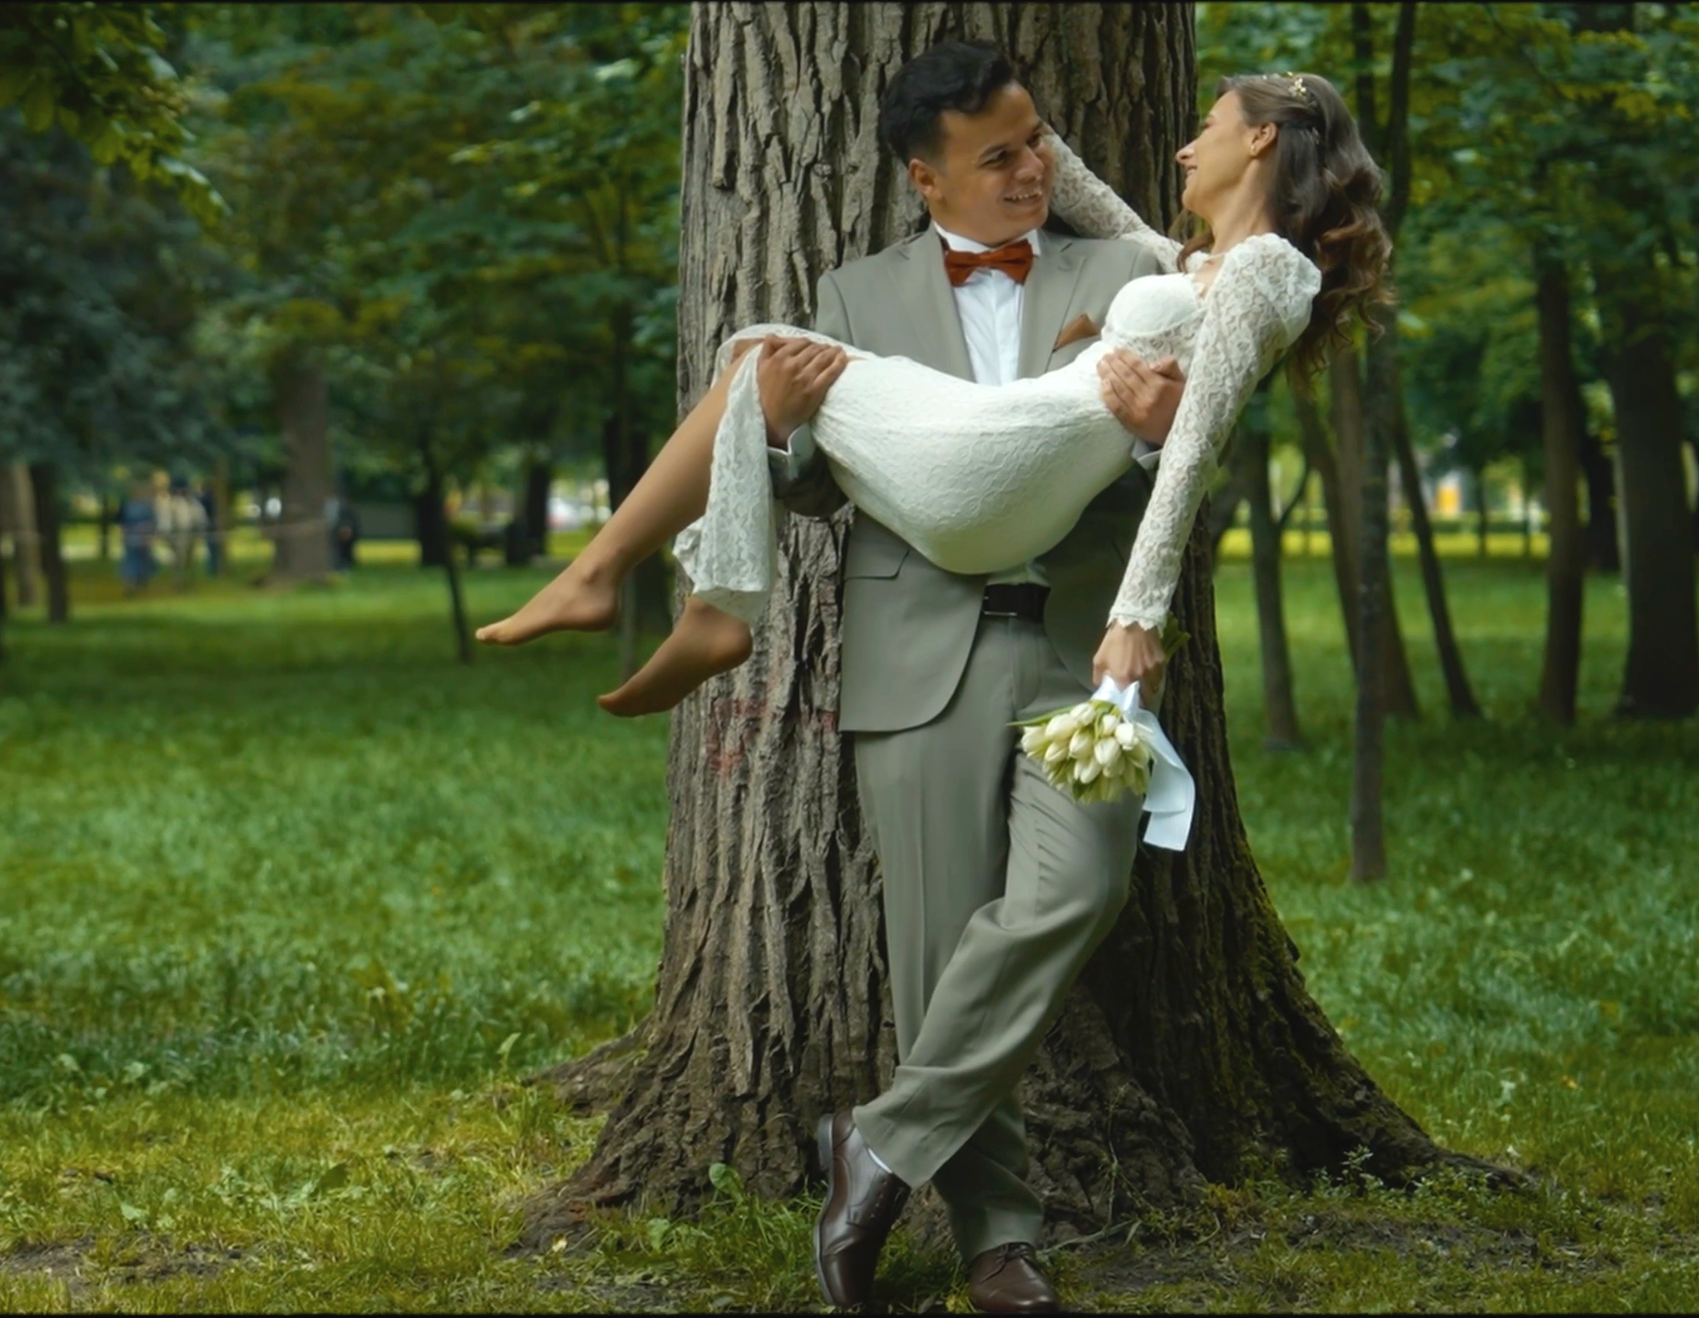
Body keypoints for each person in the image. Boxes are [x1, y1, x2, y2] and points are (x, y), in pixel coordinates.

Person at [481, 49, 1389, 1313]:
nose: (1031, 172)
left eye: (1036, 146)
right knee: (937, 961)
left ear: (1259, 146)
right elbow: (818, 481)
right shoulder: (859, 291)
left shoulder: (1133, 266)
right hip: (917, 647)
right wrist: (782, 428)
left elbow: (1194, 439)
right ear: (925, 178)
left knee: (1075, 892)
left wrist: (1142, 470)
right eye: (998, 154)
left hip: (1072, 640)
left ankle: (877, 1139)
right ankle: (994, 1238)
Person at [117, 477, 159, 596]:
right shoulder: (129, 506)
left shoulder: (145, 506)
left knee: (142, 560)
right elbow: (122, 521)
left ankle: (140, 582)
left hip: (141, 537)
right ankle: (132, 584)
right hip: (133, 537)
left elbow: (152, 521)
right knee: (132, 560)